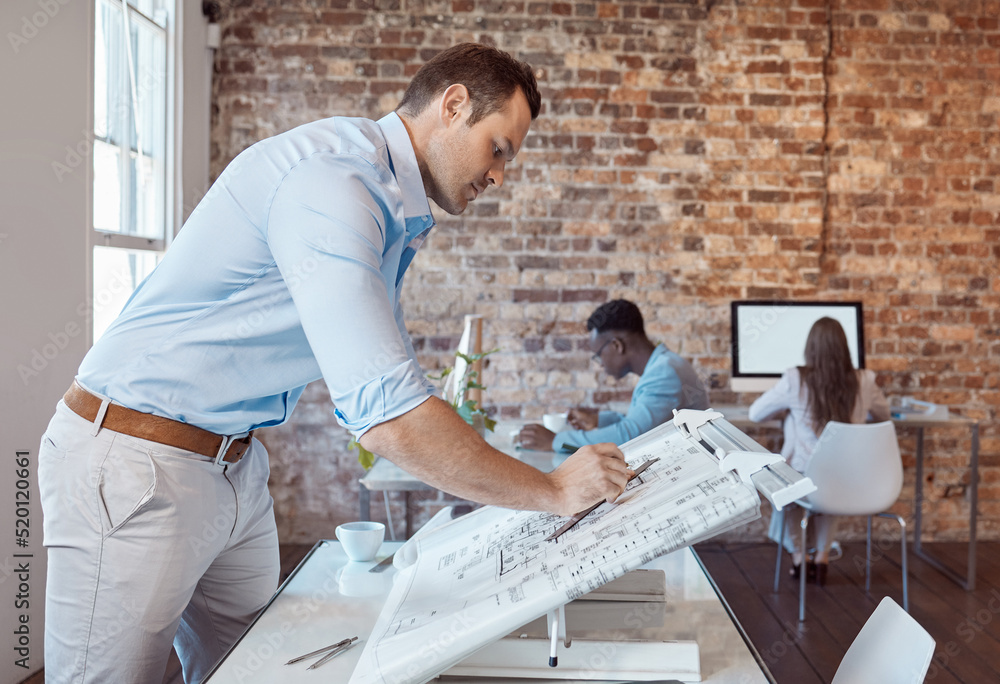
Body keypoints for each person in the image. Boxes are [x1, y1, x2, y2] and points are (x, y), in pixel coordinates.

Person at [38, 43, 633, 684]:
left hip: (233, 464)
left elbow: (392, 378)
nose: (500, 175)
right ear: (453, 104)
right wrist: (551, 490)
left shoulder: (387, 205)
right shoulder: (335, 181)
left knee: (256, 671)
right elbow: (387, 419)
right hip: (135, 459)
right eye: (500, 148)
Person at [748, 316, 890, 586]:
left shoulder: (795, 379)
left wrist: (789, 409)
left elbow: (755, 413)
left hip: (801, 478)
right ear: (845, 348)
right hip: (845, 479)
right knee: (830, 479)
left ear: (810, 348)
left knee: (790, 481)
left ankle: (801, 558)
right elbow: (884, 415)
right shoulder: (865, 380)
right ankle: (822, 559)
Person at [518, 299, 709, 452]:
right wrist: (598, 420)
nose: (599, 363)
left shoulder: (663, 373)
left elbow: (630, 437)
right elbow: (644, 423)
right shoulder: (665, 364)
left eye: (598, 355)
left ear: (617, 345)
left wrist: (555, 441)